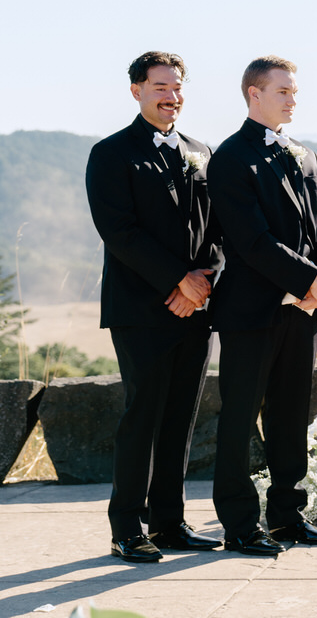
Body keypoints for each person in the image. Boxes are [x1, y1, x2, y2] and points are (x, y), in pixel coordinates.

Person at [85, 51, 223, 563]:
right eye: (161, 86)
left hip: (197, 305)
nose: (172, 95)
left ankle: (169, 522)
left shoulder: (202, 151)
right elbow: (119, 231)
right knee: (143, 415)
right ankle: (126, 527)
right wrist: (176, 282)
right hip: (141, 308)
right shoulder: (111, 153)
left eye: (178, 86)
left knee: (181, 418)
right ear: (137, 91)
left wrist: (204, 282)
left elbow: (218, 228)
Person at [208, 56, 317, 556]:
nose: (292, 99)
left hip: (301, 311)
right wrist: (309, 280)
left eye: (294, 91)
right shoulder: (229, 159)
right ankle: (240, 525)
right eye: (282, 90)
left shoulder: (305, 155)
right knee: (240, 418)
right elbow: (251, 241)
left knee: (290, 416)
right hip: (250, 312)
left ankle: (288, 517)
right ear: (253, 94)